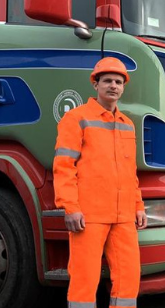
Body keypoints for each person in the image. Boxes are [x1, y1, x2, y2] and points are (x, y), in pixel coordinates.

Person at [53, 57, 147, 308]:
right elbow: (64, 166)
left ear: (123, 87)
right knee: (84, 278)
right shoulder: (76, 118)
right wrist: (70, 208)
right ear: (95, 84)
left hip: (123, 216)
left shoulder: (127, 125)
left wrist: (138, 205)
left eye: (118, 82)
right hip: (89, 215)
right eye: (107, 81)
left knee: (129, 278)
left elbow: (130, 171)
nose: (113, 86)